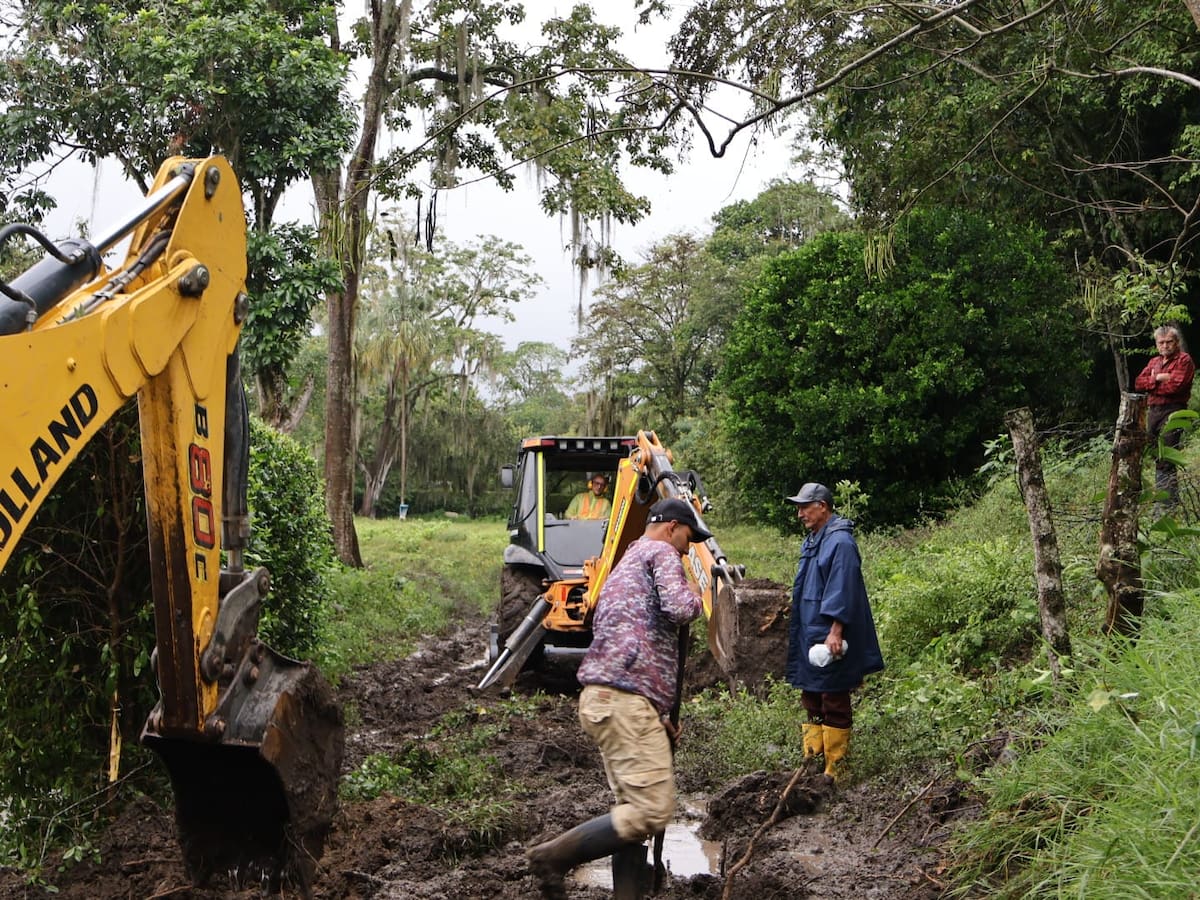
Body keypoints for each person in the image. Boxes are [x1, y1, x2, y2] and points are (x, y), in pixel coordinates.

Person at [527, 497, 710, 900]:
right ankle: (554, 857)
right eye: (688, 537)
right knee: (651, 811)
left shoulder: (625, 564)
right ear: (670, 528)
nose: (688, 546)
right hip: (625, 701)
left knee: (632, 810)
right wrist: (698, 591)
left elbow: (635, 636)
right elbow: (679, 608)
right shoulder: (661, 552)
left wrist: (658, 712)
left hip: (609, 698)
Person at [784, 483, 884, 782]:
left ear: (823, 506)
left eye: (805, 507)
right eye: (798, 507)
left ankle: (836, 770)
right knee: (811, 696)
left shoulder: (840, 543)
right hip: (810, 631)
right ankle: (812, 762)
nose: (800, 513)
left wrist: (836, 631)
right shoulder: (815, 539)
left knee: (833, 698)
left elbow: (843, 589)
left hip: (828, 634)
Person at [1134, 324, 1195, 506]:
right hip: (1154, 412)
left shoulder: (1184, 360)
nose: (1165, 346)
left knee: (1167, 455)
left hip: (1174, 410)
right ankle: (1167, 500)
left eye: (1169, 342)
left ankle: (1167, 504)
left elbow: (1176, 386)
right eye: (1161, 343)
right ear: (1156, 344)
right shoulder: (1154, 362)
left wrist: (1152, 384)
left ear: (1176, 342)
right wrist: (1158, 379)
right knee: (1155, 454)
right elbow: (1138, 383)